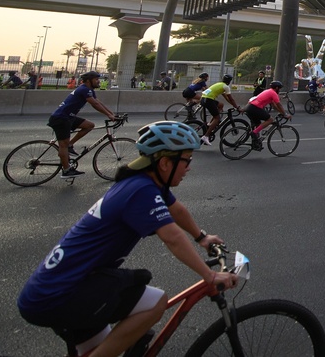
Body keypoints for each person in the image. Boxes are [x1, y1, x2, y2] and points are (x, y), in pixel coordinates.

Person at [18, 121, 237, 357]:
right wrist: (210, 275)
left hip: (57, 286)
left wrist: (201, 237)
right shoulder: (140, 191)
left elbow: (176, 210)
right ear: (164, 163)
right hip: (61, 293)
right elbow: (172, 237)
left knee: (103, 346)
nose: (189, 167)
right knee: (156, 301)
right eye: (187, 160)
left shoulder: (143, 182)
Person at [47, 71, 118, 177]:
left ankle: (70, 145)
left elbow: (98, 102)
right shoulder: (84, 89)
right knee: (63, 145)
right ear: (89, 81)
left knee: (89, 125)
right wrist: (109, 116)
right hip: (61, 119)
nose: (98, 81)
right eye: (96, 79)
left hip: (68, 117)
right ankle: (66, 171)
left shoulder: (89, 90)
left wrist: (112, 114)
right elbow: (94, 104)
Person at [243, 80, 290, 150]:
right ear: (277, 88)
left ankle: (255, 143)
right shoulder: (273, 93)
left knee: (258, 124)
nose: (279, 90)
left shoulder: (268, 91)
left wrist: (281, 112)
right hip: (254, 108)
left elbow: (274, 106)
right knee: (270, 119)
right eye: (279, 88)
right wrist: (285, 114)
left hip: (249, 107)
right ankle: (254, 133)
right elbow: (279, 104)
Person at [198, 74, 242, 145]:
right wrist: (237, 107)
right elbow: (231, 99)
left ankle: (210, 124)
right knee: (217, 118)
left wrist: (233, 105)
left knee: (221, 105)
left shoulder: (219, 84)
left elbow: (227, 98)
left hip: (203, 99)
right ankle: (205, 137)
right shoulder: (226, 87)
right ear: (229, 81)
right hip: (208, 100)